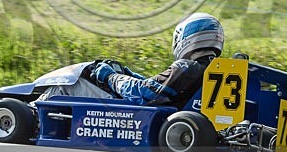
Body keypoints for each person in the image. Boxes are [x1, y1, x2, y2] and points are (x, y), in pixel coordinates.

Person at [89, 13, 224, 108]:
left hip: (182, 130)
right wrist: (132, 76)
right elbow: (160, 88)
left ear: (187, 37)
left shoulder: (187, 67)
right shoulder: (223, 69)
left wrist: (111, 77)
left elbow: (144, 94)